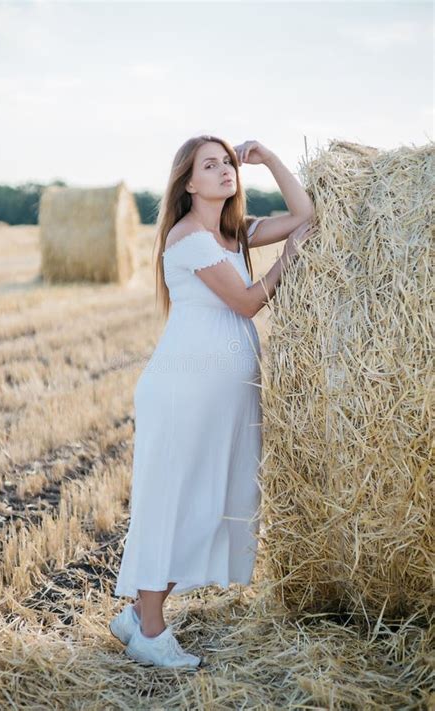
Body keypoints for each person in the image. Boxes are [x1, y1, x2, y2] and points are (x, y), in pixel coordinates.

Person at [109, 136, 316, 668]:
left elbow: (305, 213)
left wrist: (268, 159)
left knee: (208, 505)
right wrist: (287, 261)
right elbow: (247, 303)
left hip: (221, 395)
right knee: (177, 502)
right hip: (185, 392)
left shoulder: (233, 234)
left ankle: (136, 615)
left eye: (228, 162)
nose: (225, 170)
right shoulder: (189, 237)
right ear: (189, 183)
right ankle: (151, 632)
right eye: (211, 165)